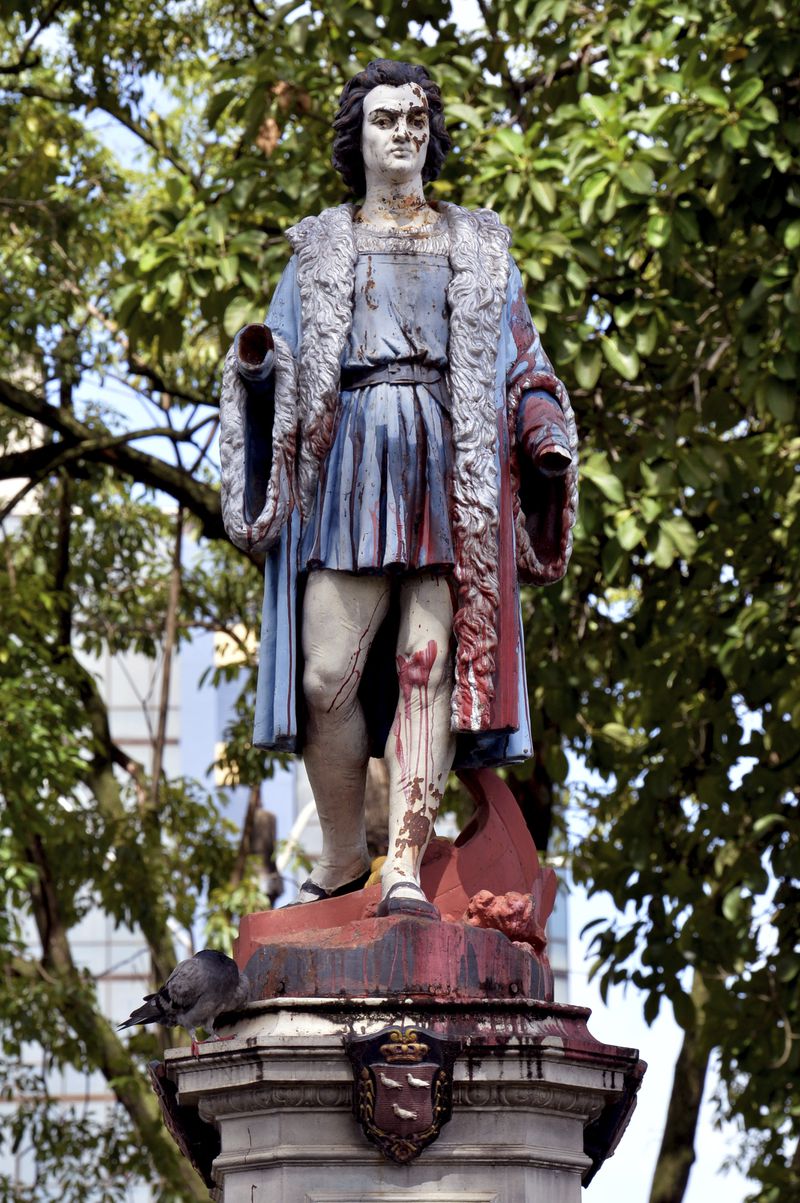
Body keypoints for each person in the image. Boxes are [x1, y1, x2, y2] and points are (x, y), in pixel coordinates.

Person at [219, 59, 577, 920]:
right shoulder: (320, 251)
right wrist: (258, 370)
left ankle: (407, 864)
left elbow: (523, 369)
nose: (405, 132)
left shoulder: (478, 247)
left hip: (448, 466)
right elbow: (279, 365)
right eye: (386, 119)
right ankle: (345, 860)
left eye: (417, 119)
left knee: (427, 663)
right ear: (359, 138)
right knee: (325, 673)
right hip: (349, 462)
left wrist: (544, 433)